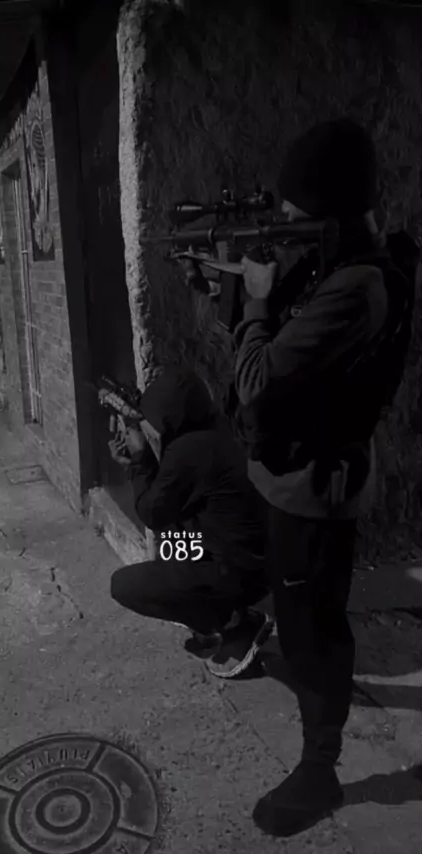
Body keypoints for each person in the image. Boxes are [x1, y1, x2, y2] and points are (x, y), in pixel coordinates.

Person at [229, 119, 416, 837]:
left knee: (314, 636)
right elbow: (267, 365)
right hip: (278, 482)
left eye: (294, 215)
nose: (283, 225)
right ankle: (229, 621)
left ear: (331, 214)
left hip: (310, 493)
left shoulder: (356, 288)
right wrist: (232, 300)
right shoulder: (332, 272)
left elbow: (259, 385)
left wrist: (254, 301)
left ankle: (320, 771)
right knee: (202, 559)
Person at [109, 366, 274, 672]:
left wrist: (139, 461)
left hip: (241, 572)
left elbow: (151, 513)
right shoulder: (214, 433)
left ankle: (232, 624)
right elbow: (169, 503)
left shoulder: (190, 450)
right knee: (172, 540)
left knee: (123, 585)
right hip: (257, 562)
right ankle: (225, 611)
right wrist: (139, 463)